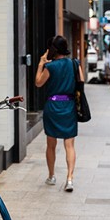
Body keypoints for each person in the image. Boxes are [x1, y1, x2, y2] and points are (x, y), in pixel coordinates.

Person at [35, 35, 80, 192]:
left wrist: (41, 64)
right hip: (69, 105)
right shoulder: (75, 64)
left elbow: (38, 82)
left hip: (53, 106)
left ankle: (52, 176)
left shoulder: (51, 67)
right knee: (69, 144)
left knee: (51, 144)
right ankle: (69, 179)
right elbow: (81, 81)